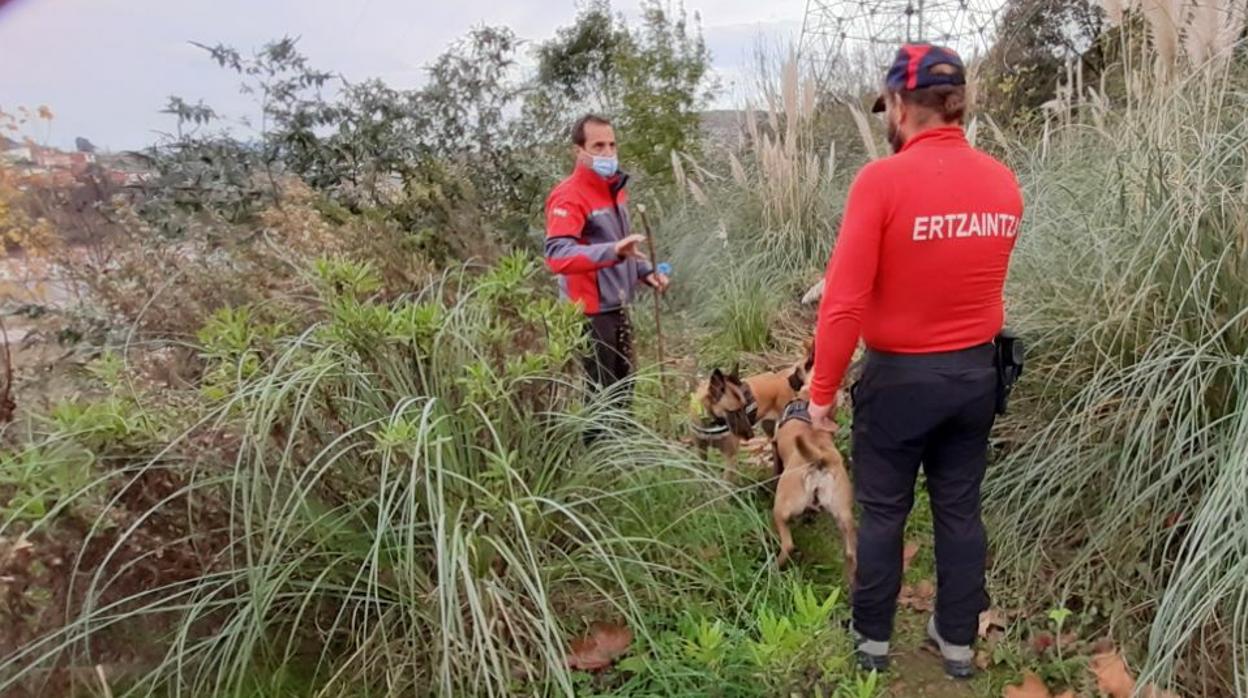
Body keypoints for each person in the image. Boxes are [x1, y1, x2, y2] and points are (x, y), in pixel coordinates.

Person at [806, 44, 1024, 678]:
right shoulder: (1002, 182)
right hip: (976, 376)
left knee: (883, 512)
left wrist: (821, 392)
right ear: (958, 104)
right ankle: (957, 642)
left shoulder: (881, 180)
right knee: (959, 508)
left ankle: (872, 642)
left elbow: (843, 303)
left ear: (900, 105)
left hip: (900, 379)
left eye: (889, 106)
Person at [544, 114, 669, 429]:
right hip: (588, 311)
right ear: (578, 151)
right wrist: (612, 252)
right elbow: (558, 255)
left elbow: (620, 245)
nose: (607, 153)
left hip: (617, 304)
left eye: (612, 145)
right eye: (598, 146)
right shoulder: (569, 195)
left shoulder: (615, 189)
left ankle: (623, 459)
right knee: (601, 395)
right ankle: (599, 465)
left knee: (625, 388)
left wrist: (644, 271)